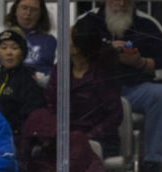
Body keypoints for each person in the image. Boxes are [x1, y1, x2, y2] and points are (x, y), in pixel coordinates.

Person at [77, 0, 162, 172]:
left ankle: (152, 163)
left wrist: (140, 63)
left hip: (133, 90)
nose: (122, 3)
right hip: (96, 91)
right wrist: (106, 54)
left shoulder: (146, 23)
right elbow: (68, 55)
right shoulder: (88, 21)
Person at [44, 15, 123, 158]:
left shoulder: (102, 74)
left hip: (97, 140)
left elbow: (114, 116)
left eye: (68, 38)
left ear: (76, 50)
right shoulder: (60, 70)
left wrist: (86, 137)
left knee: (76, 153)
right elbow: (50, 104)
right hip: (64, 137)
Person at [0, 0, 57, 88]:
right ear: (15, 10)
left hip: (36, 92)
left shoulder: (52, 38)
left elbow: (59, 74)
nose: (28, 13)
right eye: (24, 8)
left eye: (34, 10)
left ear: (41, 14)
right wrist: (6, 74)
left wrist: (38, 79)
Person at [0, 28, 46, 138]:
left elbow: (30, 118)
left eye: (14, 48)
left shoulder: (28, 81)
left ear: (23, 52)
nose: (9, 53)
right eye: (4, 47)